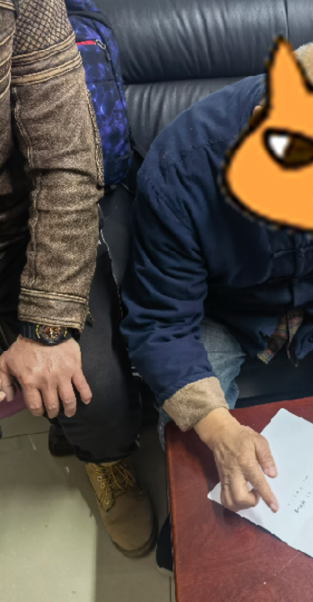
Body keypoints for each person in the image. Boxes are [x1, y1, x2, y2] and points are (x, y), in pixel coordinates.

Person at [120, 38, 313, 521]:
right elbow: (162, 322)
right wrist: (219, 429)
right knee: (194, 437)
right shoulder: (180, 169)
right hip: (220, 308)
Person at [0, 0, 156, 558]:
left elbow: (67, 160)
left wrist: (46, 328)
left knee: (94, 386)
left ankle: (106, 458)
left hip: (30, 226)